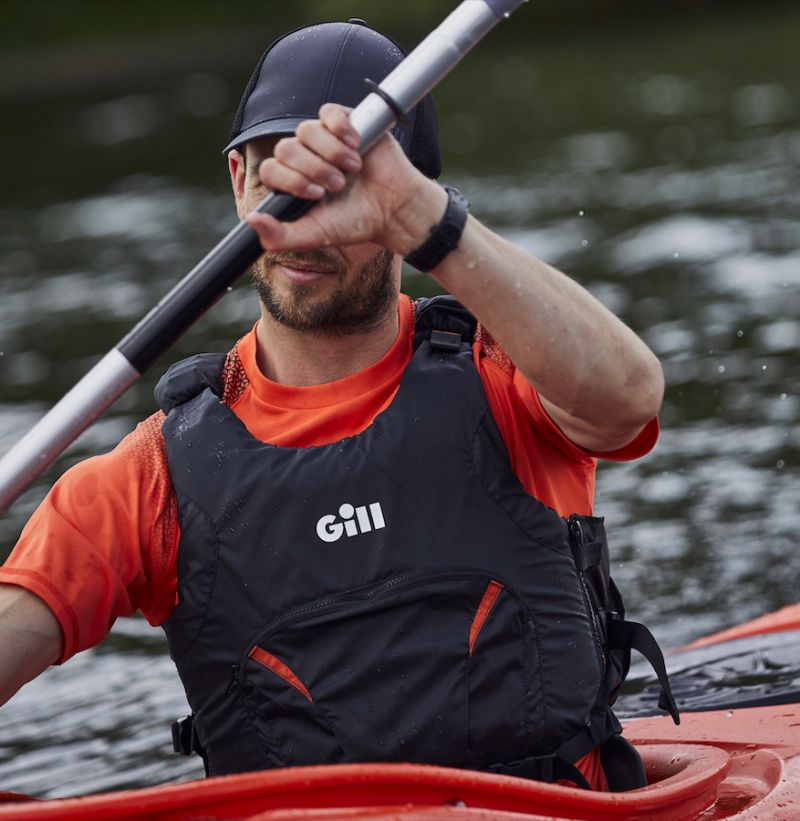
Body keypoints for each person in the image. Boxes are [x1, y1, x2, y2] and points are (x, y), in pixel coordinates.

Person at [0, 19, 669, 792]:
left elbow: (627, 401)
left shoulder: (507, 375)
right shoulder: (144, 481)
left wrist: (423, 219)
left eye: (337, 182)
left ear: (404, 187)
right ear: (236, 182)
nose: (302, 219)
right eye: (275, 175)